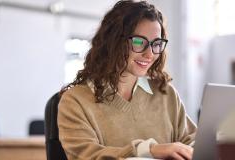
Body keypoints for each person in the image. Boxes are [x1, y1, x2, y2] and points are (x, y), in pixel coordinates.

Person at [58, 0, 197, 159]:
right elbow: (88, 156)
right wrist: (149, 150)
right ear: (113, 42)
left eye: (156, 43)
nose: (150, 54)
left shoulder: (166, 94)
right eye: (139, 42)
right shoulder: (75, 101)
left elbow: (193, 143)